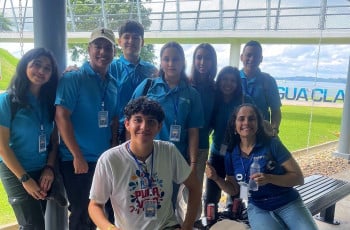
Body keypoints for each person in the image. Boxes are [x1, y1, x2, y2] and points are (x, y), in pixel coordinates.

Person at [88, 97, 201, 230]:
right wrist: (110, 228)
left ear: (159, 127)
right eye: (138, 120)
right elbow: (95, 205)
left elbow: (195, 187)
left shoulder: (169, 151)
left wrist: (187, 226)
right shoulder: (110, 159)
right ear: (127, 124)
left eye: (151, 122)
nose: (144, 127)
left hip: (166, 226)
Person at [205, 103, 318, 230]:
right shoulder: (231, 153)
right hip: (258, 207)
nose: (246, 122)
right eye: (241, 119)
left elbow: (298, 178)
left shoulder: (272, 145)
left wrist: (269, 178)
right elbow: (234, 190)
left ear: (258, 123)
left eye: (251, 119)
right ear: (234, 125)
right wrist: (216, 178)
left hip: (287, 202)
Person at [55, 27, 119, 230]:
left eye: (108, 47)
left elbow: (114, 118)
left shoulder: (113, 84)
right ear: (89, 49)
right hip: (77, 162)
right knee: (82, 213)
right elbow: (61, 116)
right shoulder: (73, 78)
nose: (102, 52)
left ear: (114, 53)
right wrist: (77, 155)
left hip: (103, 160)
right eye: (98, 46)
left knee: (102, 213)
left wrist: (115, 148)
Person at [131, 42, 204, 213]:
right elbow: (132, 120)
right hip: (145, 157)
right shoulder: (148, 86)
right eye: (167, 59)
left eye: (176, 59)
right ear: (161, 62)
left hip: (175, 159)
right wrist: (131, 155)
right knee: (142, 202)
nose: (171, 64)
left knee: (168, 205)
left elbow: (193, 131)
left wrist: (192, 163)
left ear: (183, 62)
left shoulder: (191, 94)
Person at [0, 47, 59, 229]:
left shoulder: (49, 102)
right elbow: (2, 147)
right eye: (37, 65)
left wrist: (49, 168)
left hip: (41, 171)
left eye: (47, 68)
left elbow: (53, 141)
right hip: (15, 171)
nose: (41, 71)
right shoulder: (7, 100)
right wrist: (25, 179)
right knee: (33, 225)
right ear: (25, 66)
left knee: (32, 224)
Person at [204, 66, 253, 216]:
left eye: (232, 80)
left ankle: (234, 220)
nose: (228, 83)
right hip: (217, 153)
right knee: (211, 195)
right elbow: (206, 127)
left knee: (237, 195)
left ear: (238, 83)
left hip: (239, 156)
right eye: (225, 79)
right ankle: (210, 222)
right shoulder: (213, 101)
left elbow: (255, 127)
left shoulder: (245, 101)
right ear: (219, 81)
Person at [109, 20, 158, 143]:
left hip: (144, 129)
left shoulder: (152, 71)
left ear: (142, 43)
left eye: (136, 38)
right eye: (127, 37)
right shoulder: (111, 68)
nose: (131, 41)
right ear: (119, 41)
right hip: (117, 129)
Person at [189, 43, 217, 192]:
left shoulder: (215, 89)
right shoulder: (185, 84)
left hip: (201, 146)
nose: (202, 62)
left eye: (207, 58)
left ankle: (195, 217)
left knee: (195, 188)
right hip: (180, 145)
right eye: (199, 57)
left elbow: (214, 119)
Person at [240, 40, 282, 135]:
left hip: (260, 137)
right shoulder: (232, 79)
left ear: (261, 59)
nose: (252, 59)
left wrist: (274, 130)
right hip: (235, 136)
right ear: (242, 57)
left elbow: (275, 110)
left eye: (256, 56)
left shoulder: (268, 81)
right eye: (248, 55)